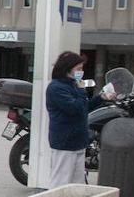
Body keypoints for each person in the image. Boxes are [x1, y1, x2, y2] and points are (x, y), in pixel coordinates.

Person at [46, 51, 114, 187]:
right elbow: (75, 108)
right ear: (67, 68)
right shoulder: (56, 88)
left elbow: (84, 108)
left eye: (82, 69)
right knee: (61, 181)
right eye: (78, 69)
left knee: (78, 183)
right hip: (64, 142)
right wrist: (82, 90)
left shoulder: (73, 85)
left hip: (78, 141)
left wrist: (100, 98)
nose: (81, 72)